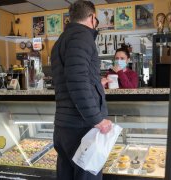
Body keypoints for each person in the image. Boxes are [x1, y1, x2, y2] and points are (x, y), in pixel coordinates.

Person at [50, 1, 112, 180]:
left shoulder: (61, 40)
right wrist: (97, 119)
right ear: (92, 17)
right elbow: (77, 81)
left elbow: (70, 77)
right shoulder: (83, 37)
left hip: (64, 128)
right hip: (81, 128)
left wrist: (96, 82)